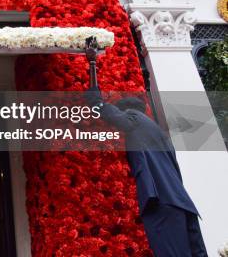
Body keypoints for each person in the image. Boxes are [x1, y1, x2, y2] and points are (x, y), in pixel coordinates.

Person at [85, 86, 207, 257]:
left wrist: (95, 101)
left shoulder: (135, 118)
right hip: (182, 204)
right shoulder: (158, 132)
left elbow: (115, 117)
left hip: (163, 201)